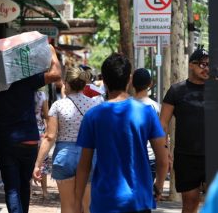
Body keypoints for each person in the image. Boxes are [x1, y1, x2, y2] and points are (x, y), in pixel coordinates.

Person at [75, 53, 169, 213]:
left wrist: (77, 200)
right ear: (129, 79)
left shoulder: (92, 116)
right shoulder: (147, 113)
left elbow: (84, 165)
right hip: (139, 200)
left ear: (103, 80)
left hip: (104, 201)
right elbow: (162, 159)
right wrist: (158, 187)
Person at [0, 45, 61, 213]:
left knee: (12, 188)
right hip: (29, 141)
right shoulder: (26, 79)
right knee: (25, 186)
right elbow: (56, 75)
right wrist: (52, 52)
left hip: (6, 142)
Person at [33, 66, 98, 213]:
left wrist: (38, 164)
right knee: (87, 206)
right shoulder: (94, 105)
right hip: (88, 156)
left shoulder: (58, 105)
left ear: (66, 83)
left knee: (67, 206)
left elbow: (50, 137)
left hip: (64, 156)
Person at [160, 46, 209, 213]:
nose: (207, 68)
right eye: (202, 64)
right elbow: (163, 124)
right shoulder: (176, 91)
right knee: (190, 203)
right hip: (186, 158)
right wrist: (164, 150)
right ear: (191, 65)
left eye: (210, 64)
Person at [132, 68, 160, 182]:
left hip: (132, 156)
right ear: (150, 84)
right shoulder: (155, 107)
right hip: (151, 156)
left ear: (132, 83)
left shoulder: (126, 106)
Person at [34, 89, 49, 198]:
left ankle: (28, 192)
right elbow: (46, 114)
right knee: (43, 159)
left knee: (28, 160)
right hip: (39, 129)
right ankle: (45, 192)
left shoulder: (23, 93)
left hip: (25, 129)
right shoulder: (42, 94)